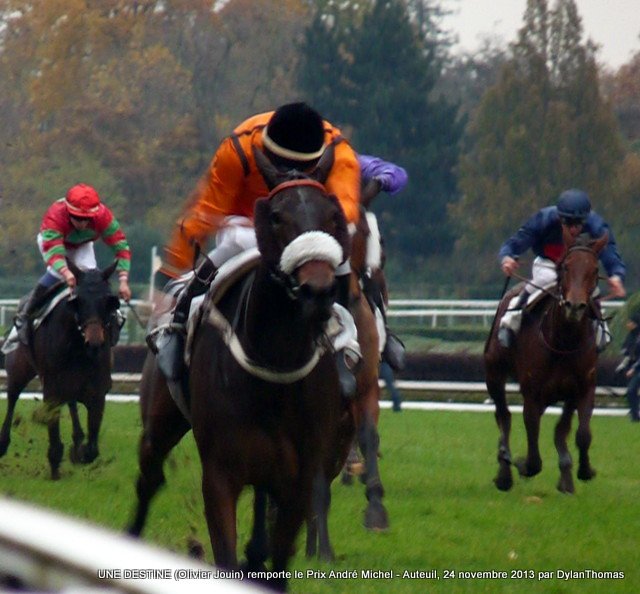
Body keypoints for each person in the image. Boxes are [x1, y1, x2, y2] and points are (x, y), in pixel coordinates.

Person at [151, 102, 361, 395]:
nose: (290, 175)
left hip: (307, 228)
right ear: (266, 153)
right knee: (235, 240)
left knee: (341, 255)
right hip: (250, 224)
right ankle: (177, 325)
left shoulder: (340, 153)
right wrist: (172, 269)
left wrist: (309, 237)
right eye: (281, 167)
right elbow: (204, 213)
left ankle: (347, 343)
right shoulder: (238, 148)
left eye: (302, 169)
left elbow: (345, 210)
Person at [497, 188, 626, 349]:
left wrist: (616, 275)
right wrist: (507, 257)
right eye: (568, 223)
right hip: (548, 263)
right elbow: (516, 242)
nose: (573, 229)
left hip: (578, 269)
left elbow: (610, 251)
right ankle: (511, 318)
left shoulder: (596, 225)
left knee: (591, 288)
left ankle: (600, 327)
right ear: (559, 217)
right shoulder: (543, 219)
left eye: (578, 224)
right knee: (546, 279)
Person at [15, 183, 131, 343]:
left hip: (83, 244)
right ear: (68, 211)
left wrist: (123, 281)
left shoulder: (103, 216)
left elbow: (121, 246)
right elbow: (55, 253)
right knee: (57, 274)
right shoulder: (55, 215)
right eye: (77, 218)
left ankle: (113, 315)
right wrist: (66, 272)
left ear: (94, 214)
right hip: (53, 244)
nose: (82, 224)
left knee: (92, 279)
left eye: (87, 219)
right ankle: (25, 315)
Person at [358, 154, 408, 373]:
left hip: (352, 221)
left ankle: (382, 332)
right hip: (312, 221)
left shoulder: (352, 162)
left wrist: (379, 181)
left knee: (373, 265)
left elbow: (397, 174)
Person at [616, 312, 640, 422]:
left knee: (631, 390)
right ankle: (634, 414)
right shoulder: (630, 336)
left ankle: (635, 414)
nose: (628, 324)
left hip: (637, 368)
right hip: (631, 367)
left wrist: (633, 368)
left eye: (630, 322)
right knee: (631, 391)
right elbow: (625, 350)